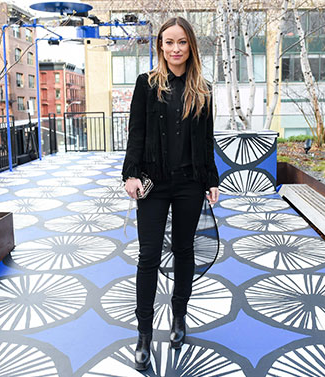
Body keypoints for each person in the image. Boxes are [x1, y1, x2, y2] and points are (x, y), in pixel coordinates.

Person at [122, 16, 219, 371]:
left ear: (190, 45)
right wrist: (130, 174)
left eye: (181, 42)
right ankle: (144, 332)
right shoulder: (146, 85)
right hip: (153, 182)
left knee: (183, 250)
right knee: (148, 256)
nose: (175, 49)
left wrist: (211, 180)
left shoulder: (203, 89)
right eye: (168, 43)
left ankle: (179, 316)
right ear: (160, 46)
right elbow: (136, 132)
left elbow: (206, 141)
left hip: (190, 183)